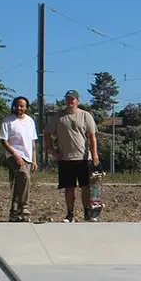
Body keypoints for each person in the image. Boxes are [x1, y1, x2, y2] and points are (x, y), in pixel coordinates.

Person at [44, 89, 98, 222]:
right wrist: (52, 150)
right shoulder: (58, 116)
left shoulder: (85, 115)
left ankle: (87, 212)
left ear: (77, 101)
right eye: (68, 99)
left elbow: (92, 136)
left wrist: (94, 154)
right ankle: (70, 214)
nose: (70, 101)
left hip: (83, 157)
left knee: (85, 187)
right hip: (65, 158)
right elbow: (47, 133)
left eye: (72, 99)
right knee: (69, 188)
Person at [0, 95, 39, 222]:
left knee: (21, 181)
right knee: (24, 175)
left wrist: (34, 159)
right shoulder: (8, 121)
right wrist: (15, 154)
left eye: (21, 106)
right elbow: (4, 141)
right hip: (14, 155)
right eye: (16, 105)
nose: (19, 108)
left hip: (27, 156)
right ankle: (24, 206)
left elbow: (33, 142)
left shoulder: (30, 121)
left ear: (26, 108)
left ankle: (15, 211)